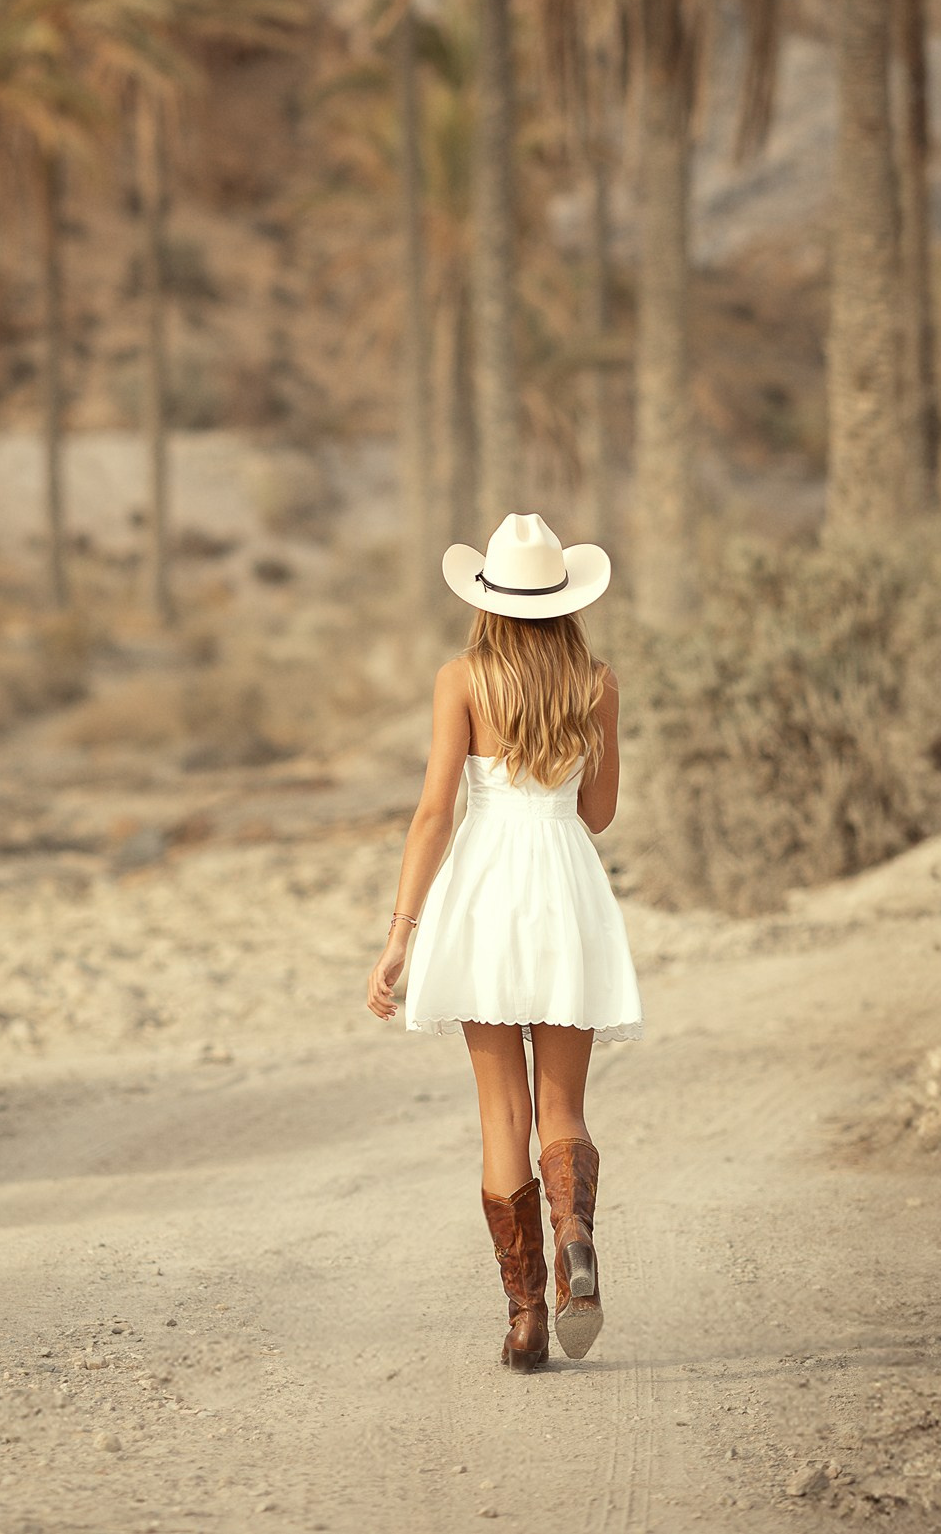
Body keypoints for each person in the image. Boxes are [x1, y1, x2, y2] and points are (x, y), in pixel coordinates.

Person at [366, 513, 642, 1371]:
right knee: (563, 1109)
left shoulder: (461, 678)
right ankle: (574, 1234)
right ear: (564, 599)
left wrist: (400, 934)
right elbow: (597, 814)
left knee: (501, 1118)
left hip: (483, 894)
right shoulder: (595, 681)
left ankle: (525, 1318)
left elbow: (431, 814)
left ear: (487, 597)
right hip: (563, 885)